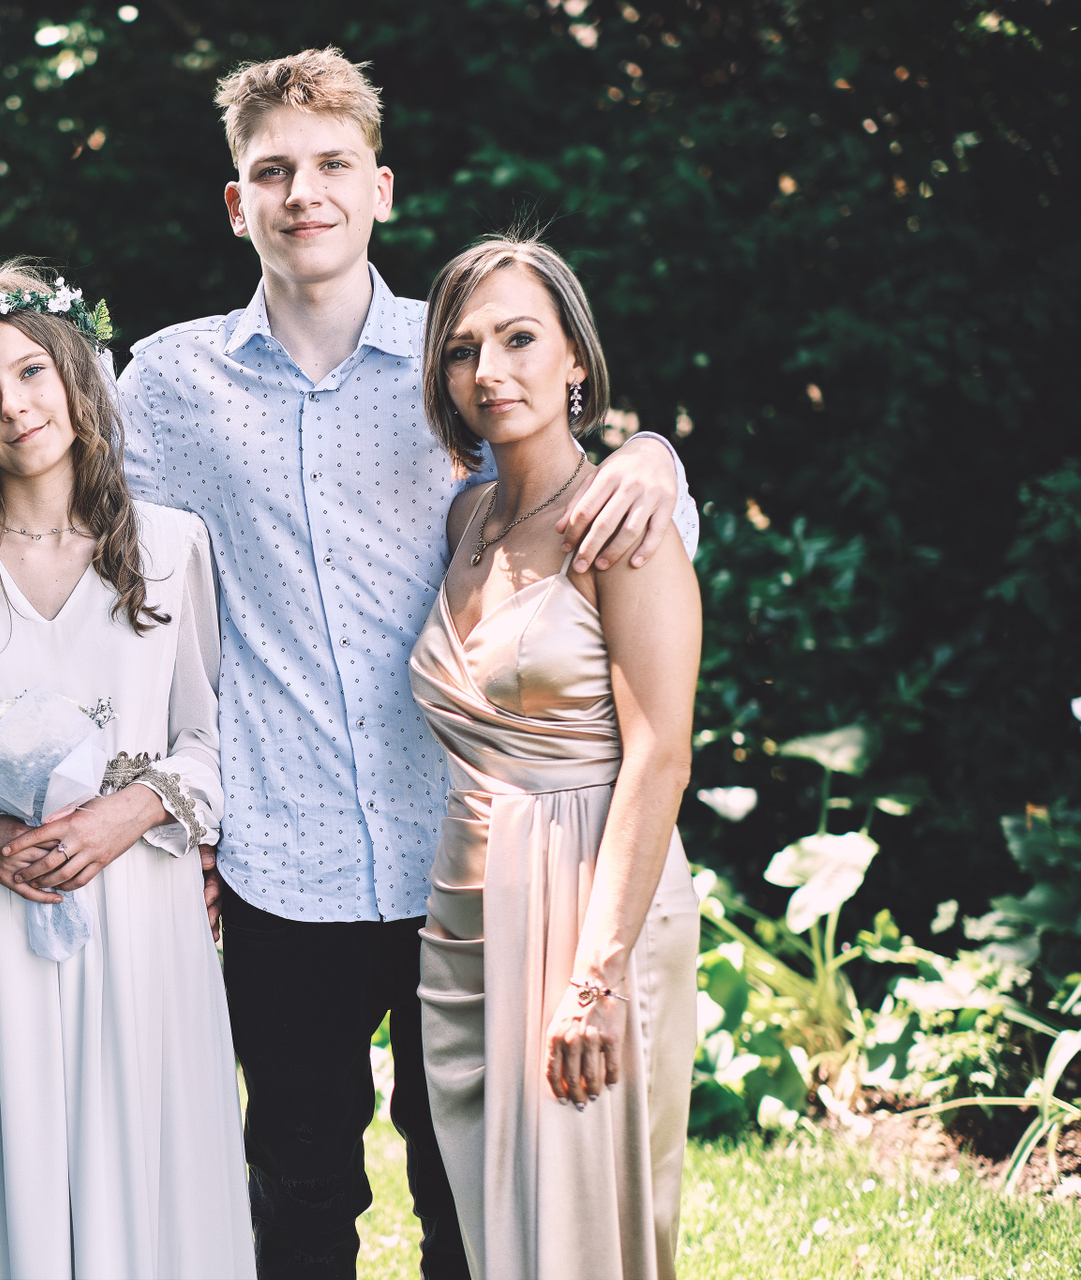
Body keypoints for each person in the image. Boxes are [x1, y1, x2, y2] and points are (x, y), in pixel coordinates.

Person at [115, 48, 700, 1279]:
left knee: (469, 1195)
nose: (303, 192)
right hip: (282, 855)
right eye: (272, 170)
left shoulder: (463, 362)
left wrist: (657, 456)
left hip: (473, 858)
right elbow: (126, 600)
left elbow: (592, 510)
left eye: (333, 164)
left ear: (380, 188)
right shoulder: (167, 385)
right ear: (236, 202)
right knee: (299, 1187)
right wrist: (175, 808)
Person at [0, 263, 254, 1279]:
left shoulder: (172, 547)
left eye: (31, 372)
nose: (14, 406)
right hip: (0, 918)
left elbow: (211, 742)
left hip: (141, 909)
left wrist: (125, 813)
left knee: (147, 1163)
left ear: (76, 374)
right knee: (11, 1163)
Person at [409, 234, 702, 1279]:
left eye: (520, 338)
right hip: (467, 914)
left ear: (576, 356)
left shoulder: (623, 526)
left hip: (589, 898)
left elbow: (662, 755)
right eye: (463, 349)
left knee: (580, 1235)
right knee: (495, 1232)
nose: (490, 369)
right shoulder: (466, 517)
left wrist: (596, 976)